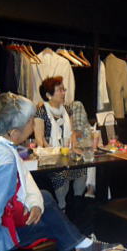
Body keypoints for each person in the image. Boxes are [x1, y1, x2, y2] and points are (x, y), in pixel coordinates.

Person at [0, 92, 103, 251]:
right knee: (56, 227)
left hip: (7, 219)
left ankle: (80, 245)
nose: (34, 123)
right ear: (14, 133)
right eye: (30, 121)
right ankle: (80, 249)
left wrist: (34, 202)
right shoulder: (4, 161)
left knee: (45, 198)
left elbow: (25, 178)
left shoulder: (0, 145)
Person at [34, 76, 87, 210]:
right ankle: (61, 207)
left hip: (66, 155)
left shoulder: (67, 109)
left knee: (82, 169)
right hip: (49, 158)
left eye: (64, 89)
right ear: (48, 95)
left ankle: (77, 205)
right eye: (60, 90)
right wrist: (54, 152)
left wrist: (74, 146)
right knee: (61, 174)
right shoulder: (41, 111)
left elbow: (72, 133)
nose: (64, 93)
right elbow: (39, 139)